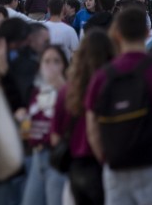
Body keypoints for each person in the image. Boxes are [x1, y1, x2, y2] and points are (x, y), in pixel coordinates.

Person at [85, 6, 152, 205]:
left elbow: (92, 127)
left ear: (116, 34)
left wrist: (107, 159)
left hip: (117, 166)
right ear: (147, 32)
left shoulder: (102, 76)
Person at [52, 28, 113, 205]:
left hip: (77, 164)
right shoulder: (111, 86)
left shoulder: (67, 91)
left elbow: (55, 137)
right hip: (108, 160)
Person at [20, 45, 69, 205]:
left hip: (56, 157)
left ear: (64, 66)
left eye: (56, 61)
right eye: (46, 61)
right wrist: (24, 122)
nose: (51, 65)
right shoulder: (37, 91)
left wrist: (61, 87)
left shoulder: (68, 91)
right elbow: (27, 130)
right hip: (35, 155)